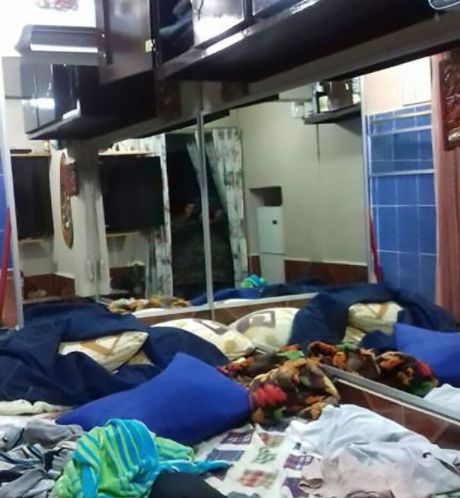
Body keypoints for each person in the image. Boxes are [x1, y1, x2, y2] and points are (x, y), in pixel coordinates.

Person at [172, 198, 234, 300]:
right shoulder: (176, 222)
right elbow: (167, 234)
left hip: (219, 275)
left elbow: (233, 232)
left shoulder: (222, 222)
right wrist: (188, 217)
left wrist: (218, 217)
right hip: (185, 278)